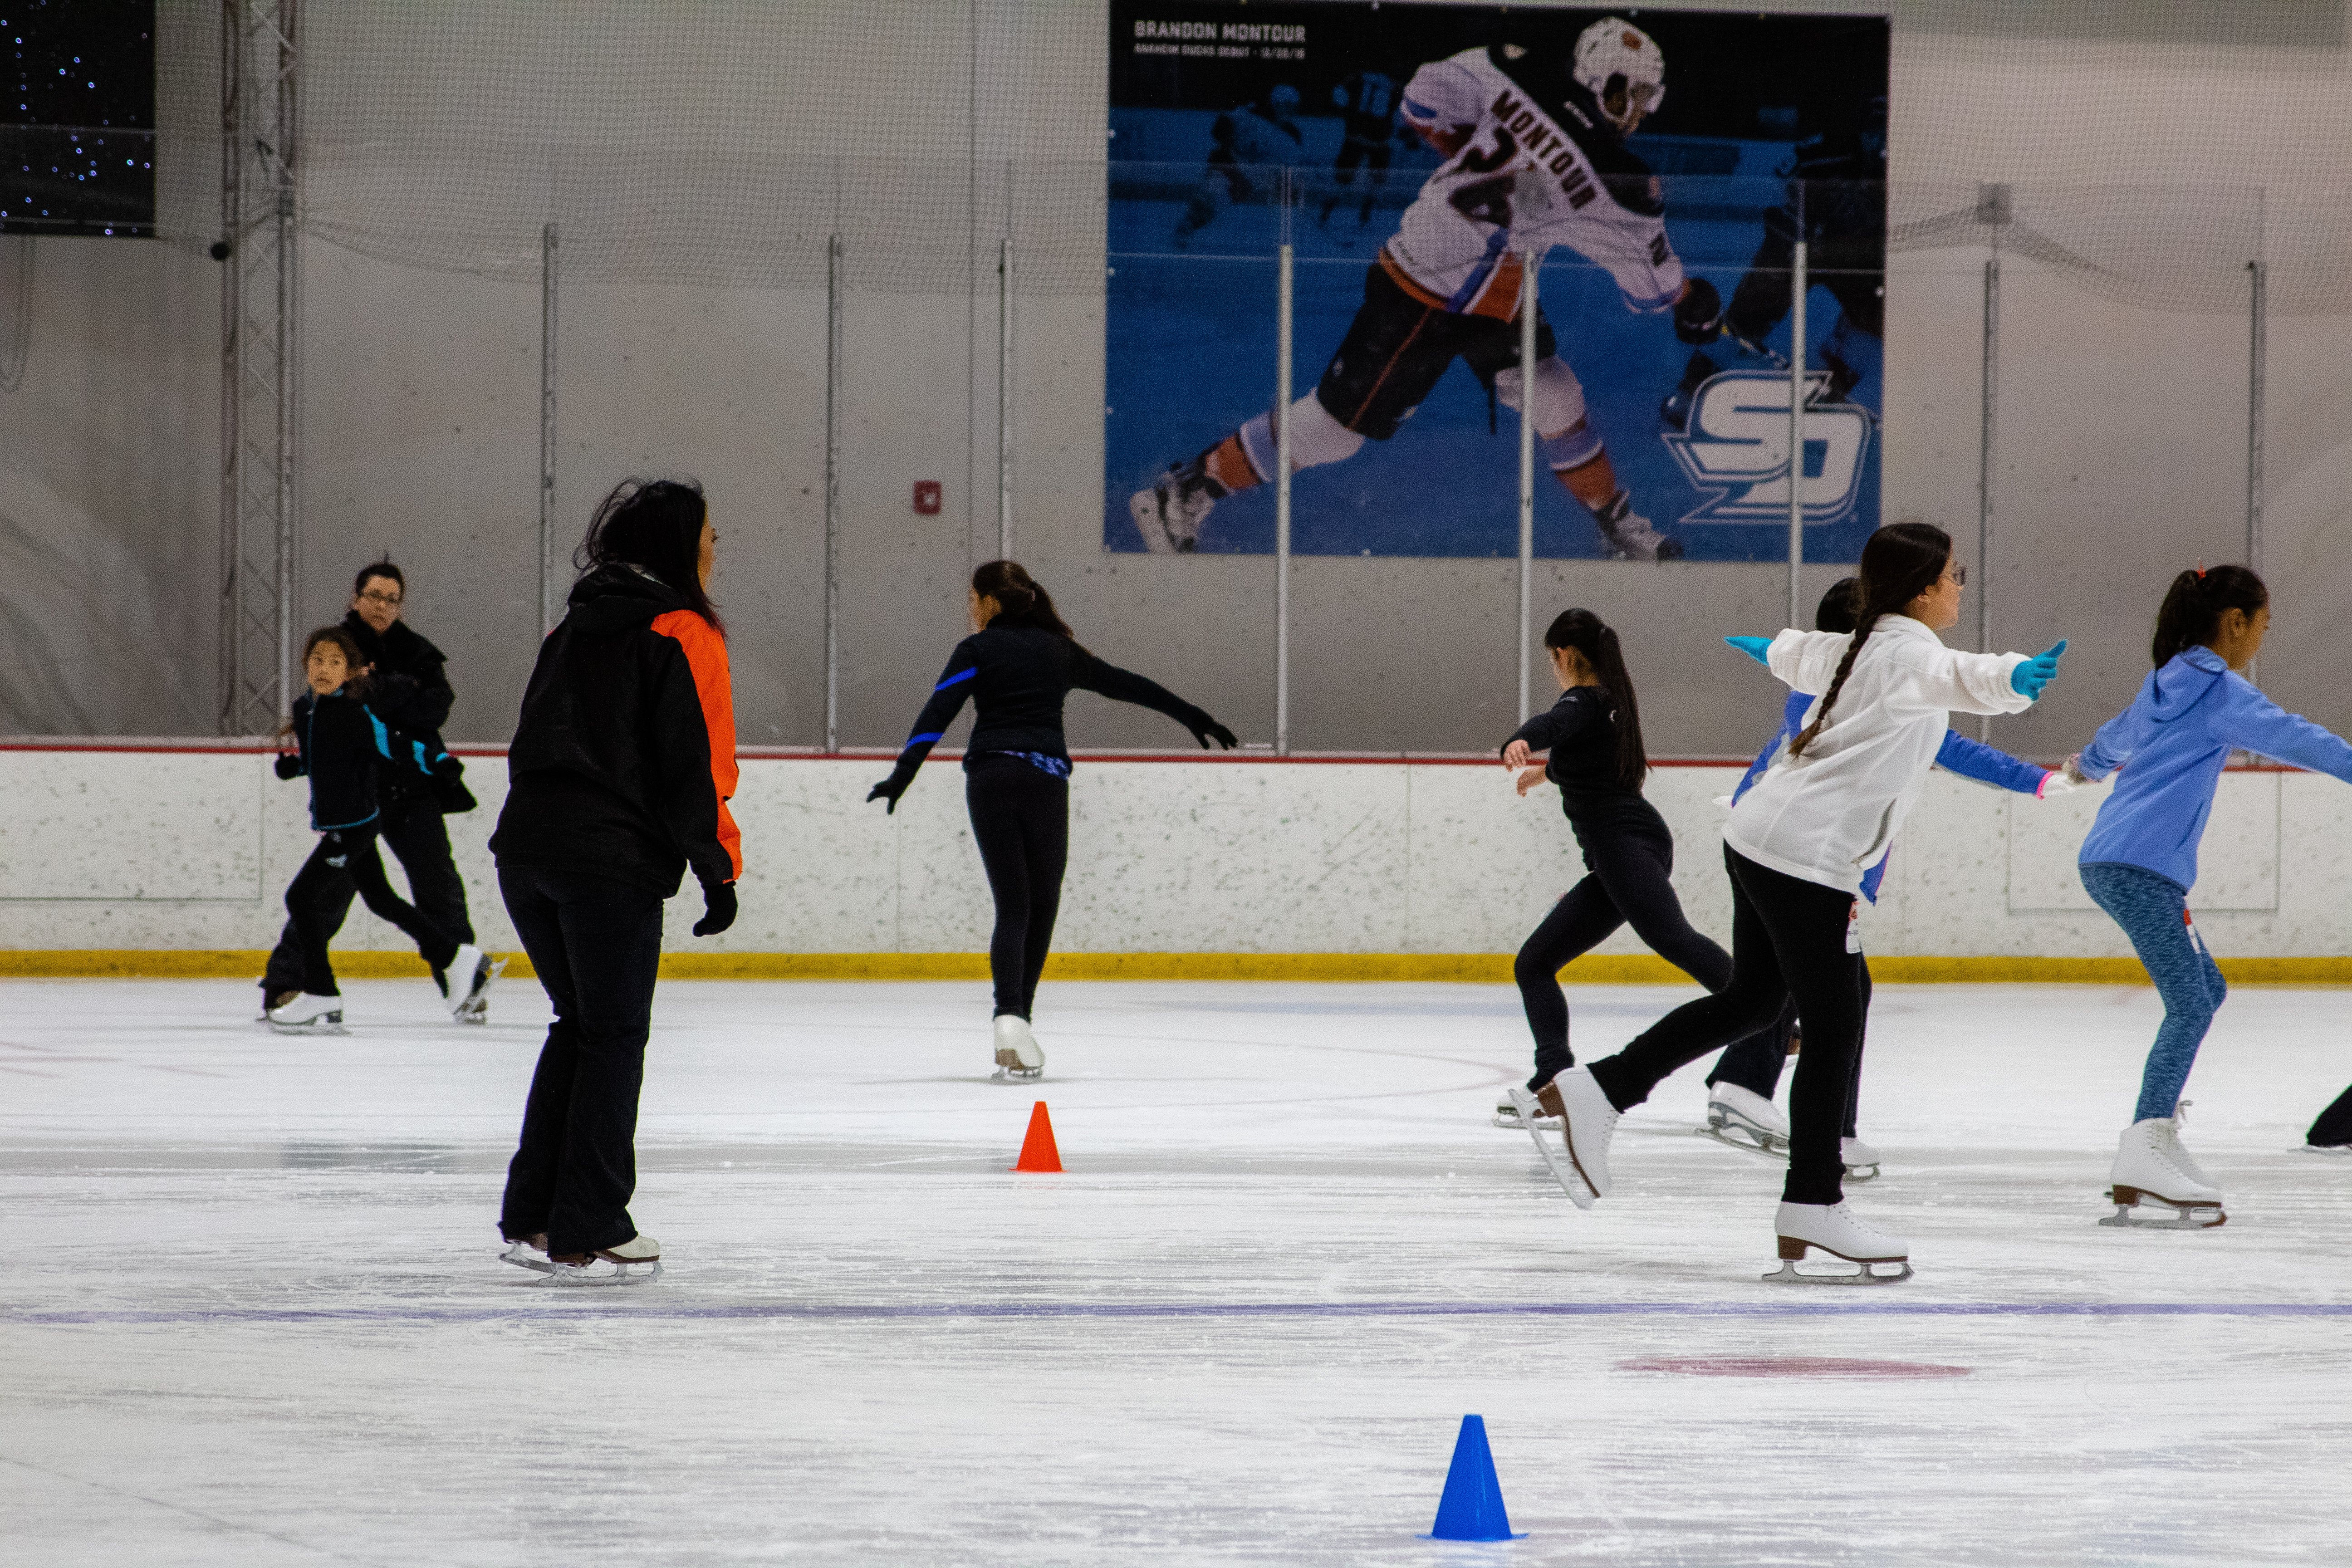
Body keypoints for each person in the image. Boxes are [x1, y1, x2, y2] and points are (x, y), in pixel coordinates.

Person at [1524, 521, 2066, 1283]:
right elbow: (1964, 677)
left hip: (1760, 839)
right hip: (1803, 860)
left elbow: (1803, 654)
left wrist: (1767, 648)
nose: (1958, 585)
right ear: (1917, 588)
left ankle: (1599, 1091)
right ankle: (1811, 1200)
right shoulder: (1907, 649)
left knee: (1751, 1001)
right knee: (1834, 1020)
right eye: (1952, 574)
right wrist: (2013, 677)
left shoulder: (1864, 643)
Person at [1132, 18, 1721, 562]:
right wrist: (1693, 303)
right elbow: (1653, 292)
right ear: (1603, 83)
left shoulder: (1514, 67)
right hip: (1426, 295)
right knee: (1335, 434)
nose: (1640, 111)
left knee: (1555, 392)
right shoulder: (1613, 180)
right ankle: (1187, 490)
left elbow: (1422, 99)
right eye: (1634, 94)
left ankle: (1614, 523)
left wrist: (1484, 167)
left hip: (1483, 284)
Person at [1695, 576, 2077, 1179]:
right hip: (1797, 860)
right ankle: (1781, 1111)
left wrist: (2034, 778)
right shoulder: (1848, 687)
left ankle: (1765, 1100)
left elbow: (1934, 743)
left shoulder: (1848, 685)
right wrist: (2034, 778)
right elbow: (1940, 746)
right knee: (1817, 990)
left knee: (1797, 988)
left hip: (1793, 856)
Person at [491, 478, 740, 1285]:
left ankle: (534, 1212)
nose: (716, 547)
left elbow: (533, 736)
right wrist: (717, 863)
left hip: (526, 851)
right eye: (708, 533)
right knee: (612, 1034)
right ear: (676, 543)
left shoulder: (571, 626)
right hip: (607, 863)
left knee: (580, 1023)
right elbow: (699, 765)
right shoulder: (681, 629)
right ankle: (590, 1222)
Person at [867, 560, 1237, 1080]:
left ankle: (1010, 1018)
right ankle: (1018, 1019)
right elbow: (1126, 685)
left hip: (992, 778)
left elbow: (937, 714)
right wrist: (1195, 716)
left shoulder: (976, 651)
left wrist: (902, 775)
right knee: (1042, 904)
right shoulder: (1058, 652)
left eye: (971, 599)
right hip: (1044, 780)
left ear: (990, 602)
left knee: (1013, 905)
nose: (969, 609)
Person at [2069, 564, 2352, 1227]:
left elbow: (2115, 737)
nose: (2261, 640)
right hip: (2140, 868)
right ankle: (2146, 1141)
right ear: (2235, 623)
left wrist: (2086, 765)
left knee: (2205, 990)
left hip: (2119, 859)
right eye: (2263, 626)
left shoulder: (2164, 682)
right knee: (2190, 1003)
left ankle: (2157, 1129)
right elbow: (2301, 738)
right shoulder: (2220, 691)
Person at [1494, 609, 1731, 1141]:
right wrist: (1547, 771)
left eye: (1551, 661)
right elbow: (1587, 756)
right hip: (1623, 849)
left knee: (1673, 939)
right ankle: (1553, 1074)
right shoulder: (1613, 702)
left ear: (1564, 656)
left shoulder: (1584, 698)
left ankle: (1773, 1016)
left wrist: (1523, 740)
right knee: (1535, 962)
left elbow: (1556, 724)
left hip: (1624, 846)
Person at [260, 559, 484, 1021]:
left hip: (409, 790)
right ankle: (291, 984)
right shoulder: (335, 648)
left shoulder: (420, 653)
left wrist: (385, 697)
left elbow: (433, 710)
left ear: (400, 607)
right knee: (327, 895)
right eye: (374, 596)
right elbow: (334, 723)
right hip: (359, 794)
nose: (381, 605)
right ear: (356, 599)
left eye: (391, 599)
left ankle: (465, 984)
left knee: (436, 885)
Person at [1170, 85, 1304, 250]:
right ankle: (1186, 228)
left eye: (1293, 107)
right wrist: (1229, 150)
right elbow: (1219, 131)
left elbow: (1287, 168)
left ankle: (1280, 243)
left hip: (1254, 178)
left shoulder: (1292, 136)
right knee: (1214, 194)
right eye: (1287, 105)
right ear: (1276, 103)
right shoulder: (1249, 115)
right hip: (1234, 165)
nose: (1290, 111)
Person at [1315, 69, 1403, 240]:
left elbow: (1338, 97)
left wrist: (1351, 112)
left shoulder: (1358, 78)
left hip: (1356, 136)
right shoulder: (1395, 86)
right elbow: (1401, 115)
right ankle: (1365, 218)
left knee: (1342, 178)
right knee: (1375, 180)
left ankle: (1324, 216)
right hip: (1380, 140)